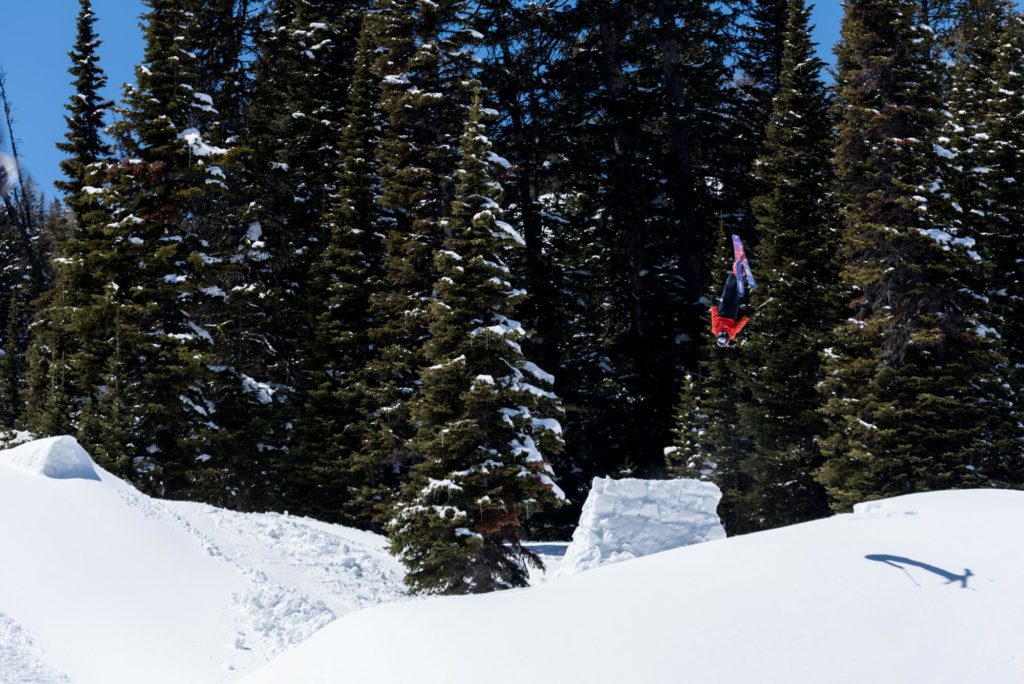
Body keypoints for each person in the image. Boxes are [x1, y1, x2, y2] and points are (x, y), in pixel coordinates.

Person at [710, 272, 750, 348]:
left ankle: (733, 275)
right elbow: (740, 324)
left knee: (727, 291)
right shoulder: (732, 333)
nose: (724, 331)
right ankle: (742, 278)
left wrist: (713, 305)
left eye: (721, 332)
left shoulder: (715, 330)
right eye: (725, 333)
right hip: (732, 313)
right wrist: (747, 316)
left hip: (722, 311)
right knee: (736, 295)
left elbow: (714, 317)